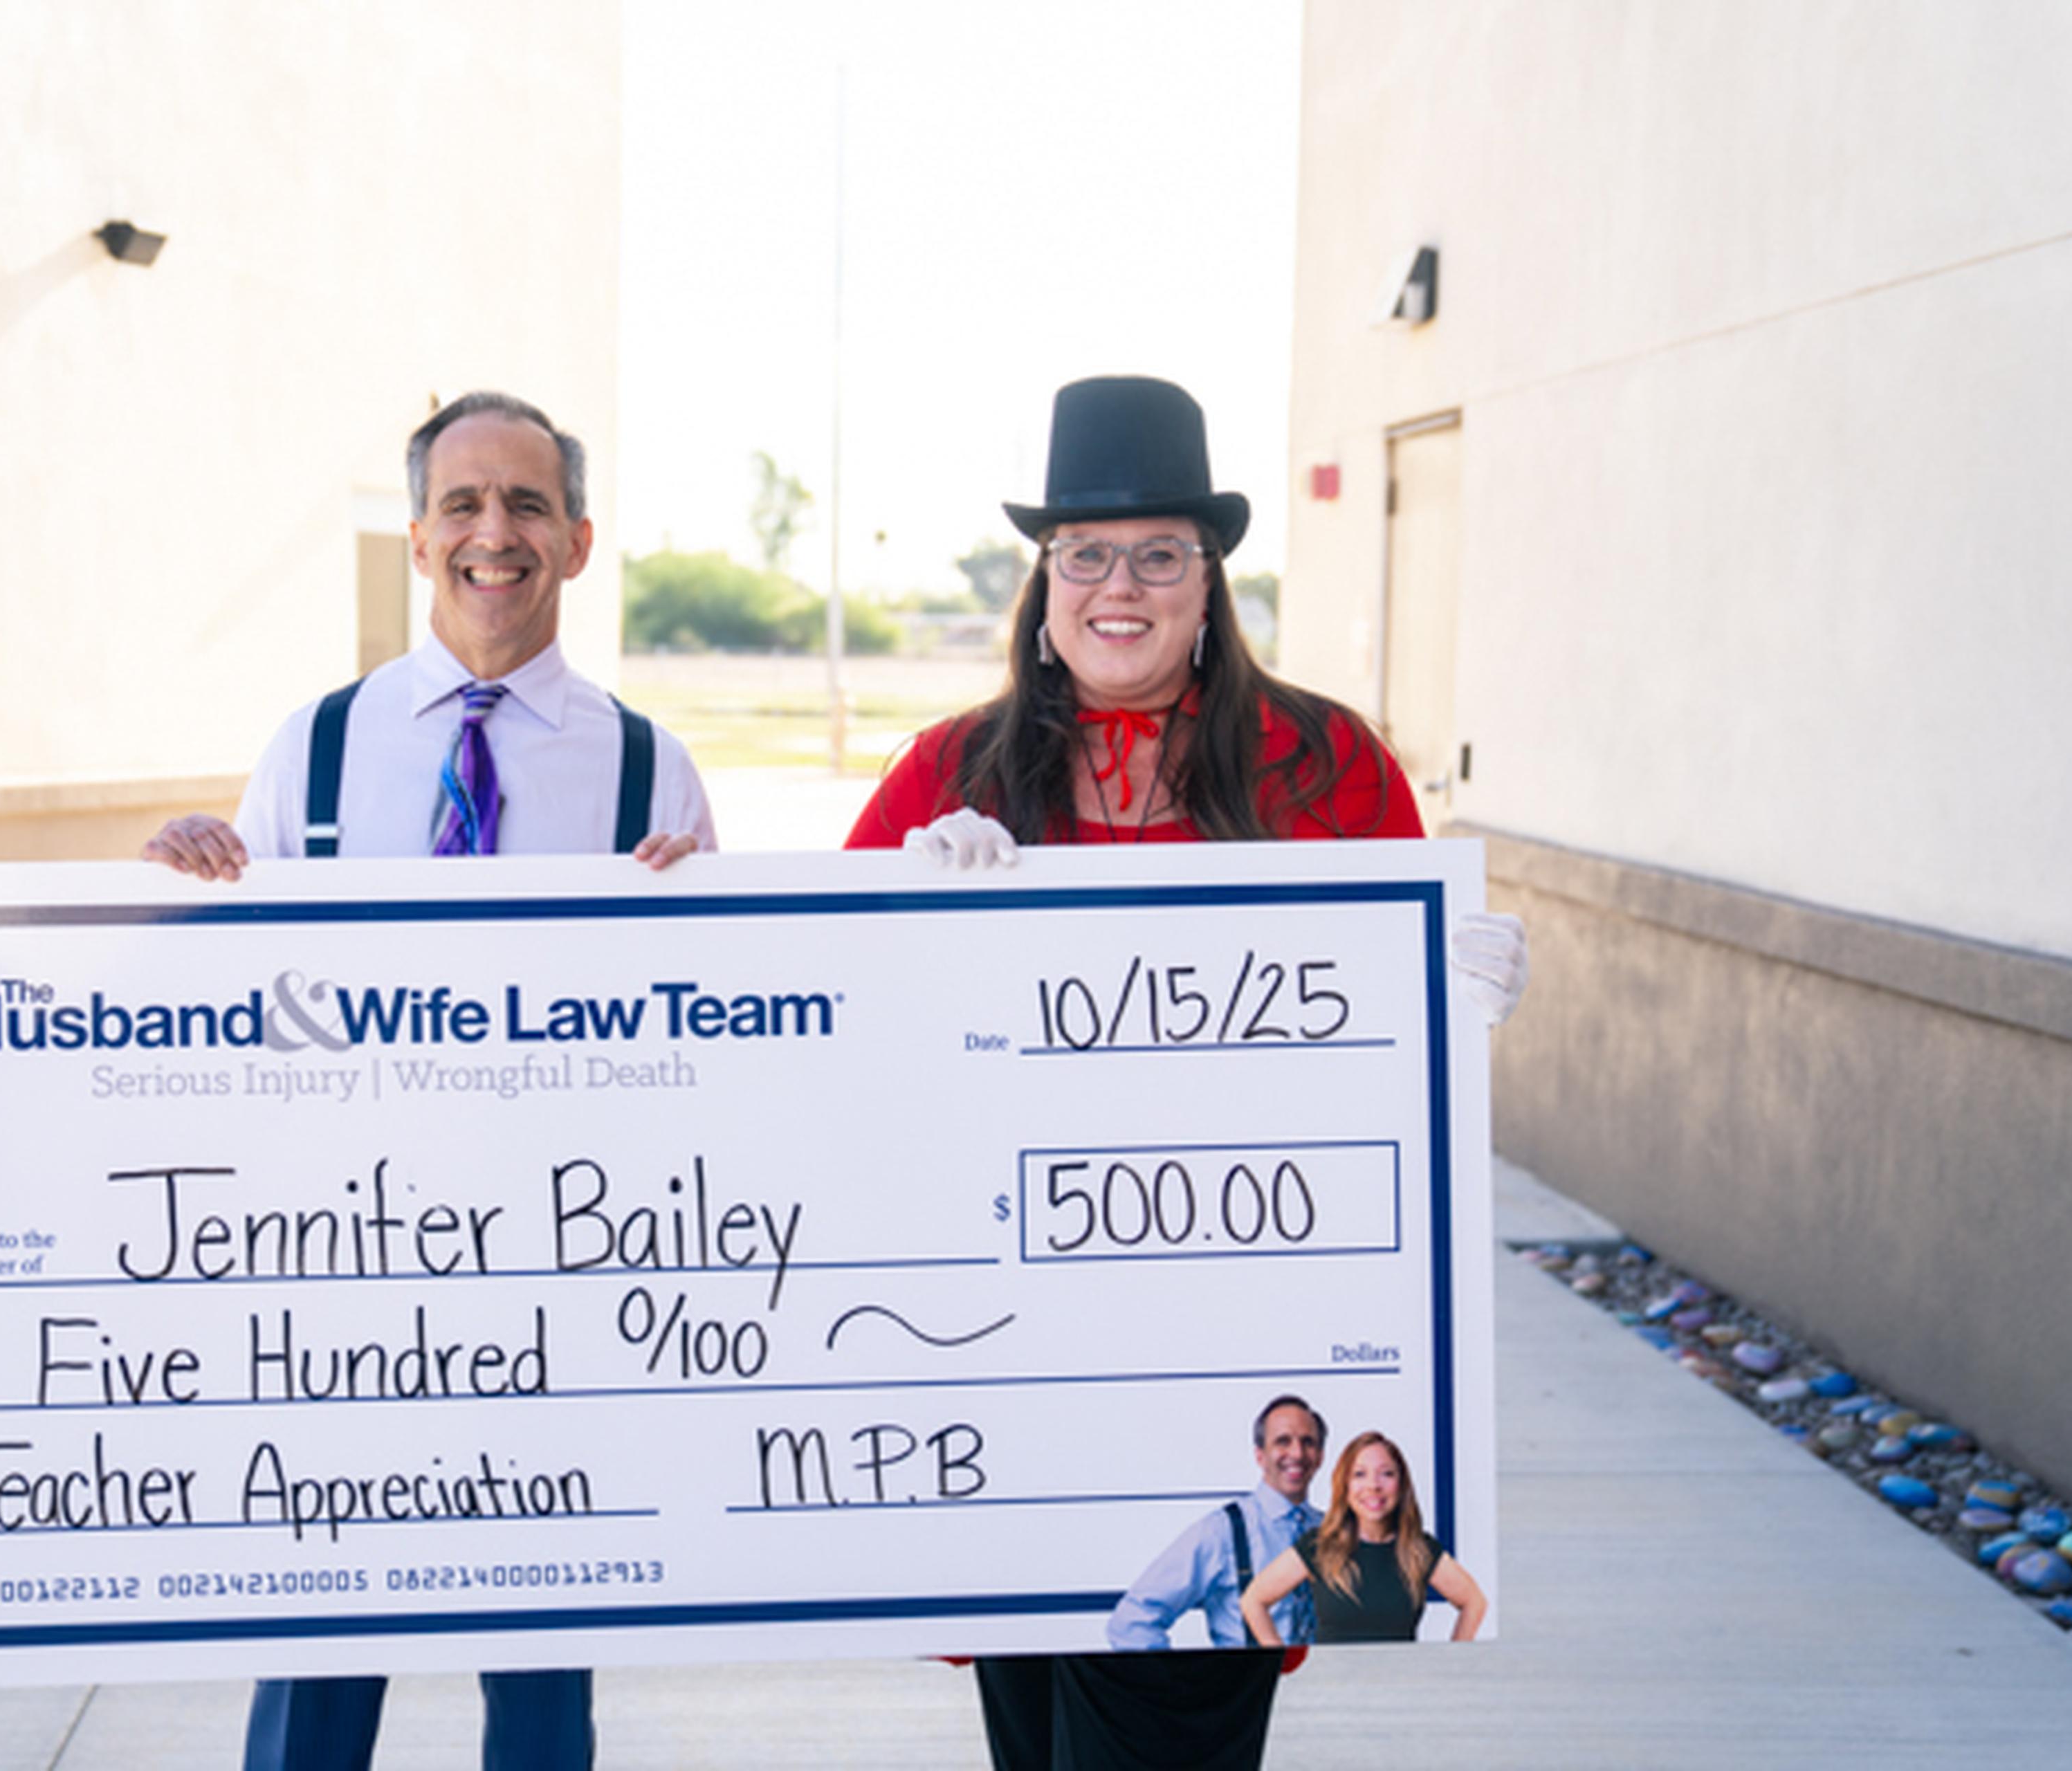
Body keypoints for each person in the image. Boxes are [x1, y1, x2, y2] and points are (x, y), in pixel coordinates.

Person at [844, 374, 1525, 1770]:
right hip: (1013, 1374)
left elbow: (1392, 1056)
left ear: (1211, 581)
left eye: (1160, 554)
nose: (1120, 585)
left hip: (1227, 1361)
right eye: (1085, 553)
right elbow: (829, 1041)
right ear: (1044, 582)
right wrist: (899, 918)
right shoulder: (952, 769)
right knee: (1037, 1736)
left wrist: (1456, 998)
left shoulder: (1321, 765)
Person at [145, 389, 714, 1771]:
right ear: (417, 538)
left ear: (578, 540)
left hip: (552, 1279)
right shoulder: (318, 747)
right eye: (461, 503)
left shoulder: (647, 768)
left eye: (527, 503)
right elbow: (234, 1004)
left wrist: (697, 932)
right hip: (343, 1270)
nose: (492, 532)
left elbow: (707, 1048)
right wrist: (174, 894)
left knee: (541, 1679)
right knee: (319, 1666)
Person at [1104, 1396, 1328, 1655]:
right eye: (1283, 1441)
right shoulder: (1222, 1531)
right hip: (1251, 1680)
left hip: (1328, 1680)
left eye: (1308, 1442)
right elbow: (1131, 1623)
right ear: (1260, 1455)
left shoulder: (1335, 1531)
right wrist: (1180, 1679)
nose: (1297, 1453)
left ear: (1320, 1457)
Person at [1243, 1432, 1487, 1644]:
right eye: (1360, 1474)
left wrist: (1452, 1660)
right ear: (1345, 1485)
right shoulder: (1319, 1546)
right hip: (1332, 1682)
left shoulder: (1419, 1548)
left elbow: (1474, 1602)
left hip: (1401, 1682)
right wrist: (1285, 1661)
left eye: (1386, 1474)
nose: (1373, 1485)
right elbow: (1253, 1600)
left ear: (1401, 1484)